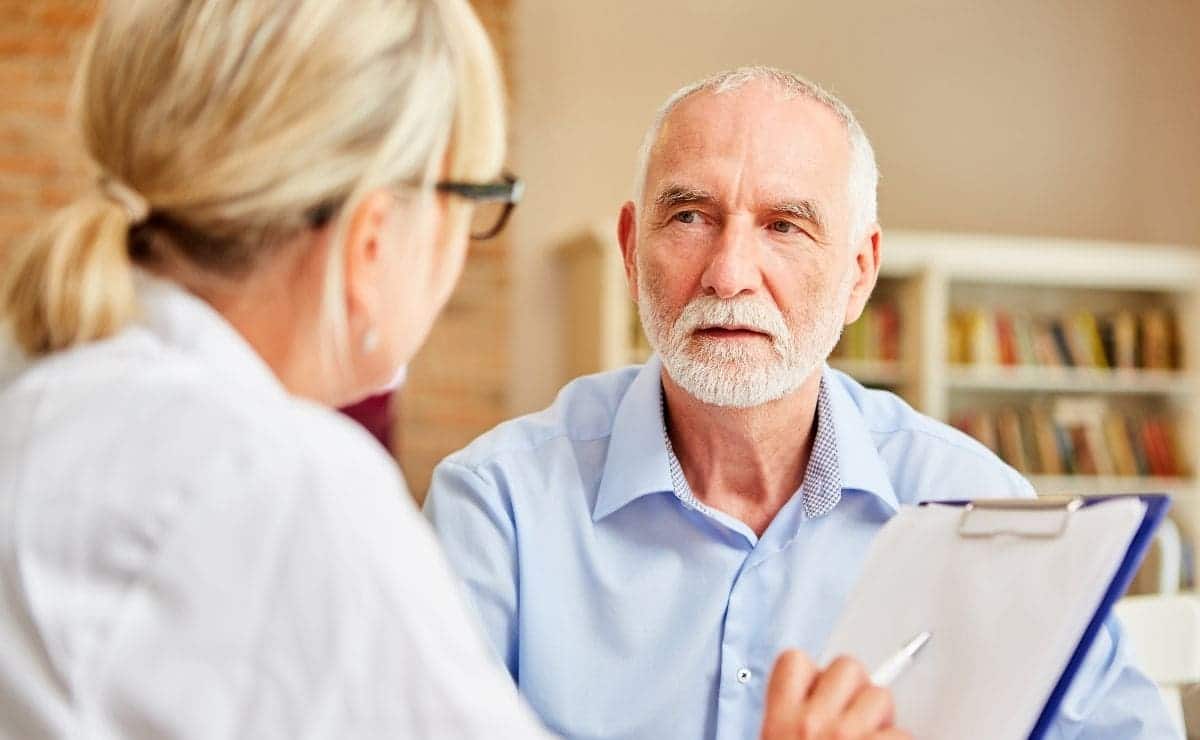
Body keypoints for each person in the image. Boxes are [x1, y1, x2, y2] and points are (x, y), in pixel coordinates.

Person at [0, 5, 901, 739]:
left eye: (785, 225)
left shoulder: (46, 404)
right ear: (371, 240)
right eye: (475, 201)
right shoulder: (287, 486)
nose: (730, 272)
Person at [424, 66, 1177, 739]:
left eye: (785, 226)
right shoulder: (499, 506)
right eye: (690, 216)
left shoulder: (979, 508)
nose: (729, 274)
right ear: (629, 248)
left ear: (858, 273)